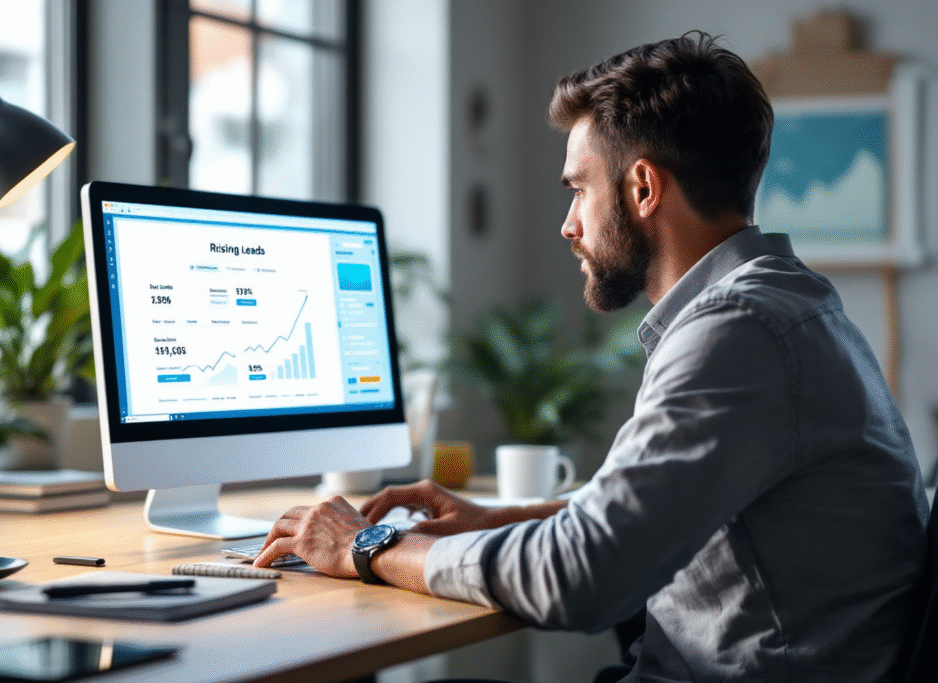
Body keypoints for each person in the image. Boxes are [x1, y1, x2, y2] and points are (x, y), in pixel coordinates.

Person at [256, 32, 929, 682]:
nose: (568, 224)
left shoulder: (738, 329)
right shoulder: (790, 307)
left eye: (579, 188)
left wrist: (364, 546)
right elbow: (664, 513)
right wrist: (501, 517)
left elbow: (580, 578)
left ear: (642, 189)